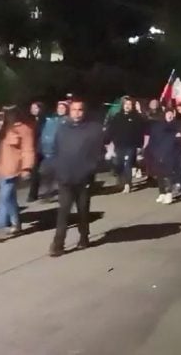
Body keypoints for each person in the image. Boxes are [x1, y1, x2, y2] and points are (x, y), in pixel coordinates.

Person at [49, 100, 104, 257]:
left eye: (80, 110)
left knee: (83, 210)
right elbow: (55, 149)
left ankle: (84, 237)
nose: (77, 113)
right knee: (63, 211)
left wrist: (91, 168)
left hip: (84, 178)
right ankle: (58, 244)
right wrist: (57, 167)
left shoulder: (93, 130)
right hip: (65, 178)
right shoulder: (62, 129)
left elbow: (99, 153)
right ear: (69, 111)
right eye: (74, 110)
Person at [0, 105, 35, 242]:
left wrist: (27, 168)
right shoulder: (0, 128)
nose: (4, 116)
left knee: (4, 196)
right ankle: (16, 223)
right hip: (0, 168)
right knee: (9, 198)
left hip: (13, 169)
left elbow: (28, 149)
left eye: (7, 113)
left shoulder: (24, 129)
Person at [107, 96, 145, 193]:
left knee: (127, 164)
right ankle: (121, 182)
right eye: (126, 104)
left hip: (131, 145)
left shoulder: (136, 117)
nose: (127, 106)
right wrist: (107, 141)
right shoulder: (117, 116)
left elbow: (140, 131)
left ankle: (128, 184)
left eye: (129, 104)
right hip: (119, 145)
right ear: (123, 105)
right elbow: (111, 130)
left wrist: (140, 145)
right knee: (119, 164)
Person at [147, 109, 181, 205]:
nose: (169, 116)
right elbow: (152, 140)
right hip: (158, 154)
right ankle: (162, 193)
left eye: (171, 114)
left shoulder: (178, 125)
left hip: (172, 154)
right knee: (160, 175)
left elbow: (180, 140)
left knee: (169, 175)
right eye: (168, 114)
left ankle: (169, 193)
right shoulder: (158, 126)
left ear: (174, 115)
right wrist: (154, 152)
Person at [39, 101, 68, 201]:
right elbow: (45, 134)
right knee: (47, 173)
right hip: (49, 151)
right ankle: (47, 193)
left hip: (62, 152)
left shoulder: (68, 121)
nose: (60, 110)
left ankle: (62, 193)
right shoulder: (51, 120)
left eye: (63, 108)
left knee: (60, 174)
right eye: (59, 108)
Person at [27, 101, 46, 202]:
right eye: (31, 108)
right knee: (35, 171)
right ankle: (32, 194)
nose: (32, 110)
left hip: (42, 148)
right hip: (35, 149)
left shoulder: (44, 120)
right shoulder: (31, 121)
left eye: (35, 108)